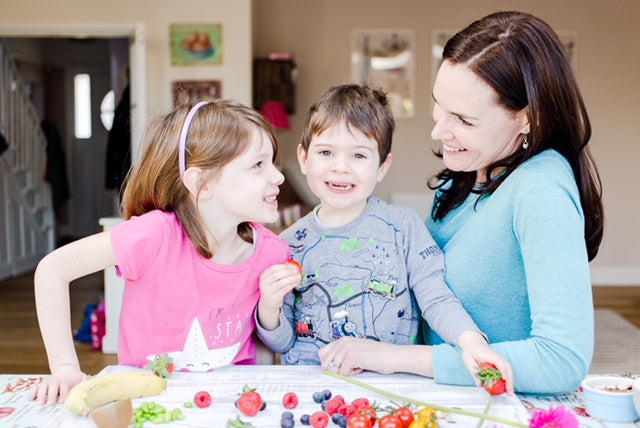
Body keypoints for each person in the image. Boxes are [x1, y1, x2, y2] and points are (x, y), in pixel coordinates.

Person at [29, 98, 291, 405]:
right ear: (201, 183)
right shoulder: (153, 235)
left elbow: (260, 345)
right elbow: (53, 270)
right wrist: (64, 368)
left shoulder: (273, 252)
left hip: (228, 405)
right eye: (258, 165)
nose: (278, 176)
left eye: (272, 161)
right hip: (145, 402)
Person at [255, 84, 513, 391]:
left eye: (359, 155)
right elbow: (281, 342)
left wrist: (471, 342)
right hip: (313, 390)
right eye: (326, 152)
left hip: (396, 388)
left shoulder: (403, 228)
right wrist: (269, 306)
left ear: (382, 166)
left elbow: (436, 298)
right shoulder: (287, 244)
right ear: (304, 158)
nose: (340, 167)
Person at [422, 11, 604, 394]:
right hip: (437, 398)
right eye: (439, 104)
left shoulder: (540, 191)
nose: (438, 130)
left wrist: (391, 359)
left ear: (527, 119)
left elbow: (561, 361)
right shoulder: (467, 174)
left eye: (464, 120)